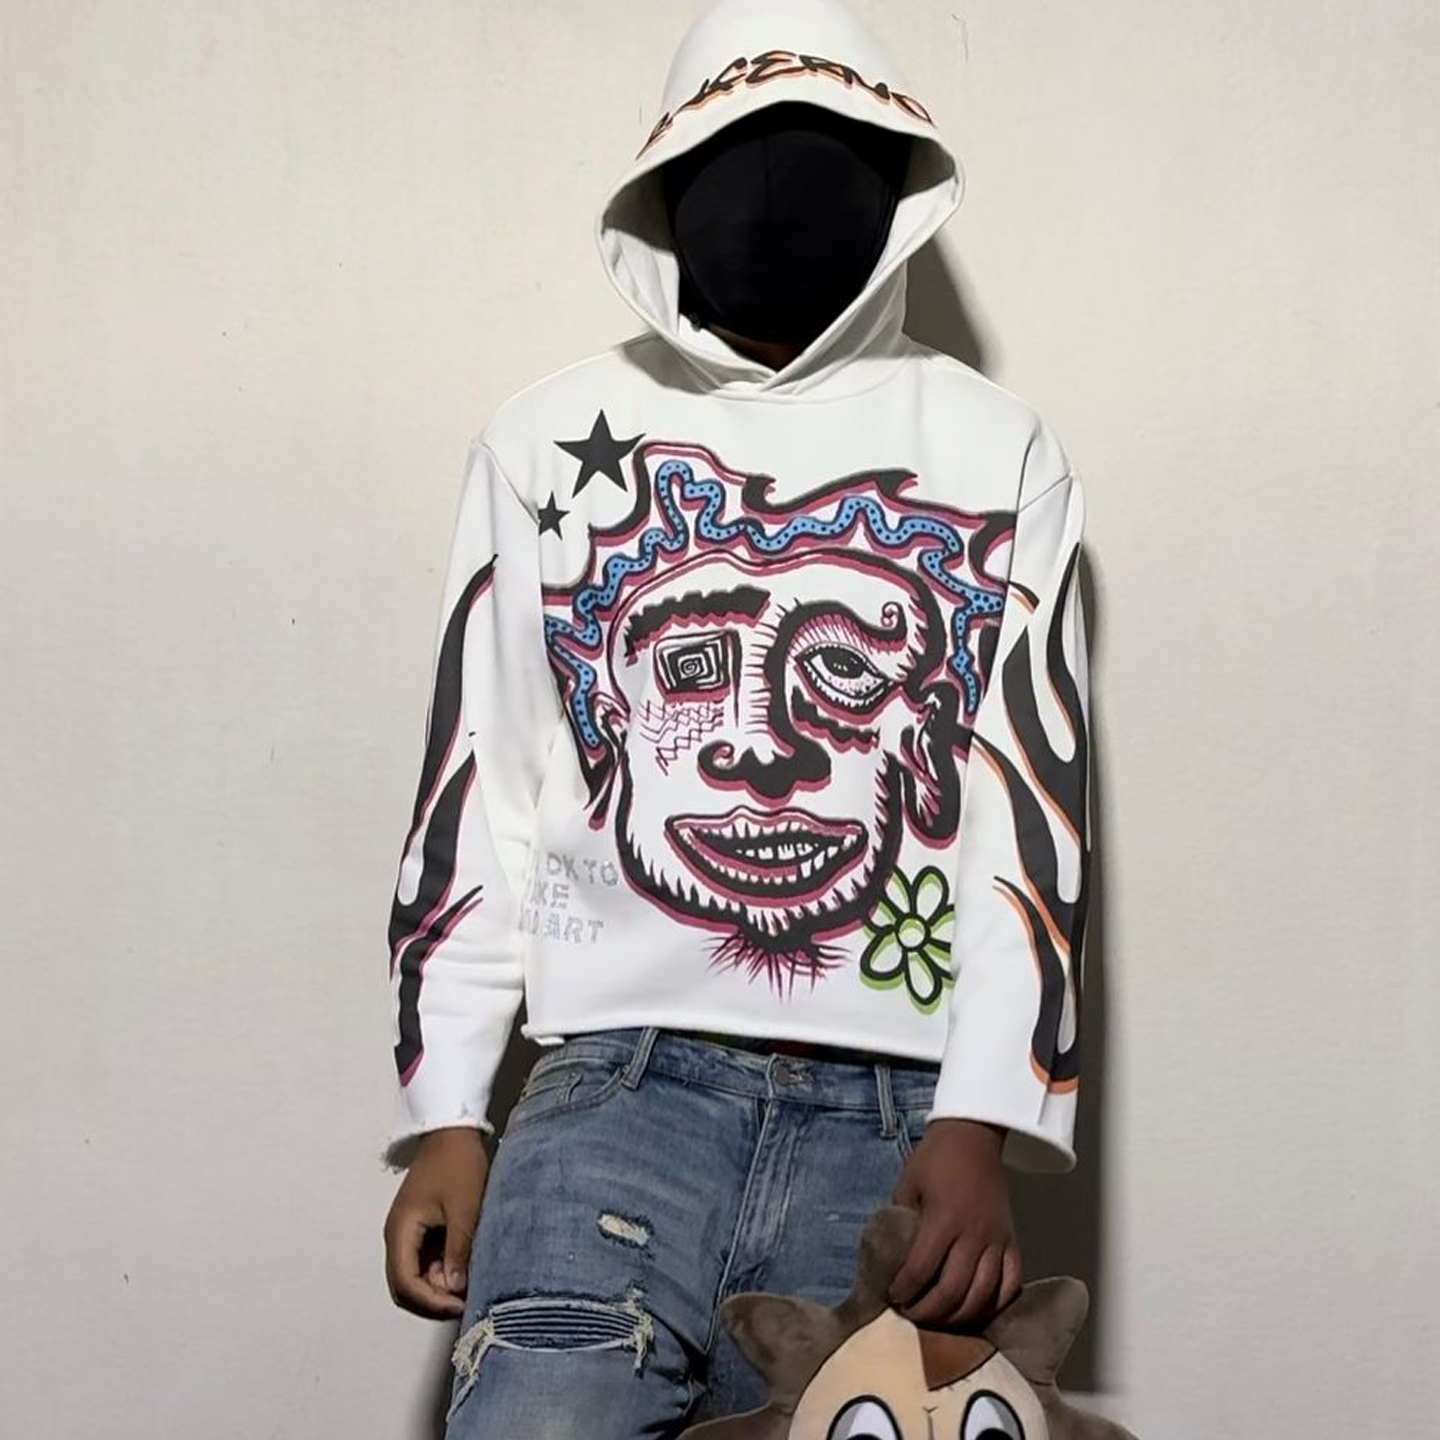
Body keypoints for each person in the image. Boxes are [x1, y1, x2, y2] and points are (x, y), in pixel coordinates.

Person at [381, 1, 1093, 1435]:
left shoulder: (996, 447)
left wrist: (985, 1115)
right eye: (697, 670)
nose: (760, 747)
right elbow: (482, 781)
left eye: (845, 676)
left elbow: (1032, 803)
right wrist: (445, 1108)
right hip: (610, 1093)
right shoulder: (541, 442)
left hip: (896, 1124)